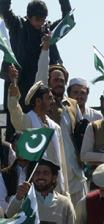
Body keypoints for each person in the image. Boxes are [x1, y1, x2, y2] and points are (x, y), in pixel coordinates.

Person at [0, 0, 71, 141]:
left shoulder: (47, 30)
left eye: (43, 20)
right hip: (18, 83)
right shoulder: (17, 25)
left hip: (40, 86)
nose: (40, 23)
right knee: (15, 126)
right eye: (37, 20)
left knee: (42, 128)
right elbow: (4, 9)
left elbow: (68, 20)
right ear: (28, 16)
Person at [35, 41, 88, 206]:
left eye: (62, 80)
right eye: (56, 79)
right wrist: (45, 50)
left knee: (79, 222)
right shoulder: (45, 104)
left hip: (75, 172)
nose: (59, 83)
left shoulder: (72, 104)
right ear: (49, 81)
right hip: (54, 171)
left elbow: (81, 133)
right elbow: (40, 78)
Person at [6, 158, 81, 224]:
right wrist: (18, 197)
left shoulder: (64, 203)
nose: (40, 176)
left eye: (45, 173)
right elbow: (8, 217)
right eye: (37, 173)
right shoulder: (24, 199)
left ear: (54, 177)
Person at [7, 65, 68, 194]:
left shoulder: (55, 126)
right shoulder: (27, 121)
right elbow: (14, 108)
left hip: (55, 186)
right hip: (35, 186)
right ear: (38, 101)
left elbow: (61, 162)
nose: (52, 101)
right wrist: (13, 81)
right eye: (49, 98)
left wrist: (65, 189)